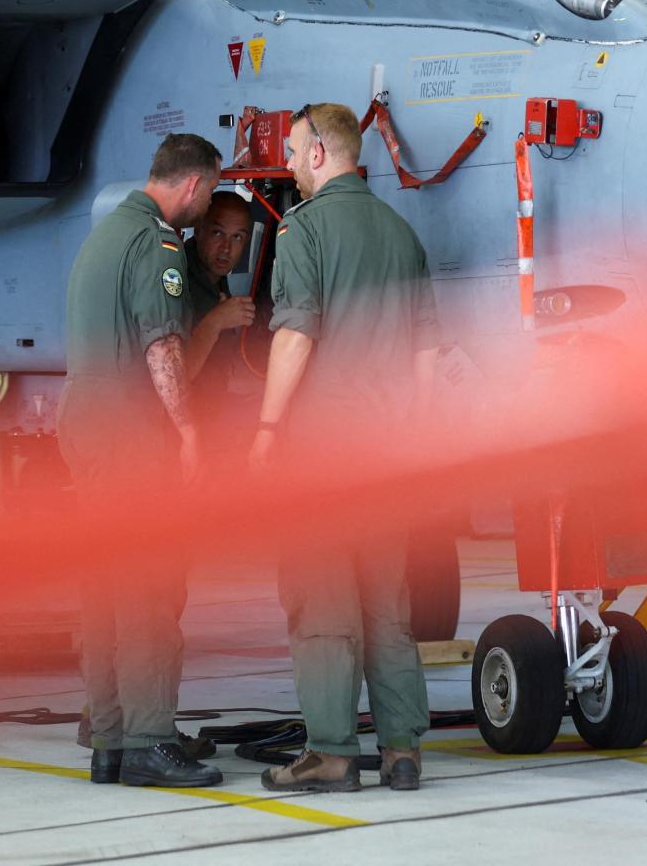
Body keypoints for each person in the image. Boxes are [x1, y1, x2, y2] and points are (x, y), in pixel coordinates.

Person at [251, 103, 441, 794]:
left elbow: (295, 333)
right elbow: (427, 354)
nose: (292, 165)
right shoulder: (400, 233)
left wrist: (269, 430)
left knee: (323, 602)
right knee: (386, 608)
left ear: (324, 154)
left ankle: (332, 752)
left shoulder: (304, 230)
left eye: (297, 152)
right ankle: (401, 751)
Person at [59, 133, 225, 789]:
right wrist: (187, 432)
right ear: (192, 185)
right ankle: (151, 743)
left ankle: (112, 740)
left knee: (104, 590)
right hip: (130, 430)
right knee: (150, 590)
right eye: (210, 191)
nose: (207, 206)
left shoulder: (102, 237)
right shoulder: (157, 244)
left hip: (87, 422)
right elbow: (161, 347)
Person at [182, 191, 258, 391]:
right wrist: (217, 321)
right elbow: (173, 377)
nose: (226, 248)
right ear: (198, 229)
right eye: (217, 233)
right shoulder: (178, 279)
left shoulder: (215, 277)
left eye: (237, 237)